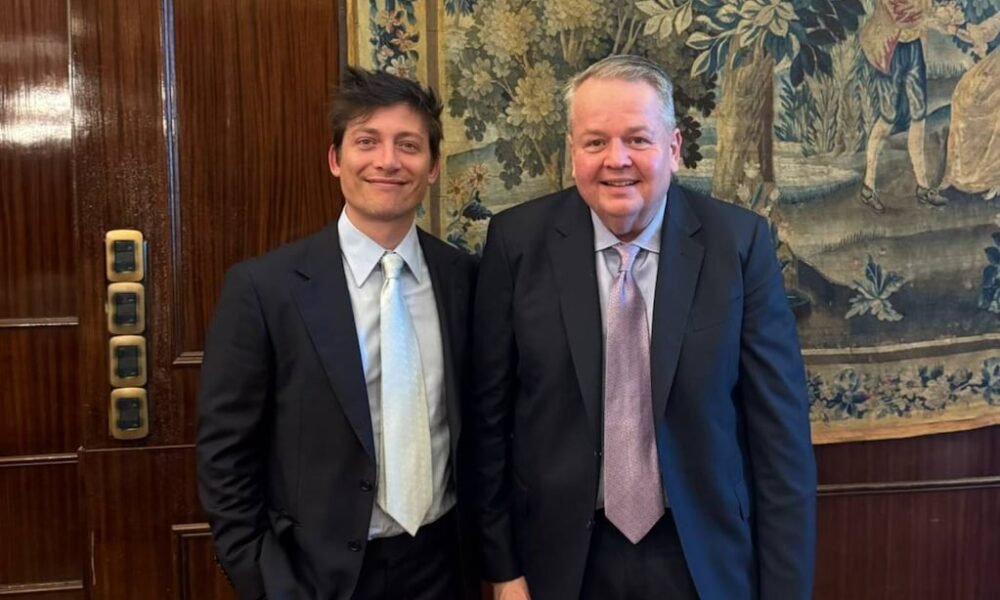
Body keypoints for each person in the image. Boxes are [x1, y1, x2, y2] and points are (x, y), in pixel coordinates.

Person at [472, 55, 817, 600]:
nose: (617, 160)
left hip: (705, 560)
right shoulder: (516, 244)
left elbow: (781, 440)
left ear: (674, 148)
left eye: (637, 139)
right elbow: (488, 423)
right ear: (572, 151)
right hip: (558, 563)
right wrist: (502, 569)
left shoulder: (739, 245)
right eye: (595, 142)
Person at [197, 67, 479, 600]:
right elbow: (225, 456)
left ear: (434, 167)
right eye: (367, 141)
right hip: (313, 576)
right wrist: (265, 580)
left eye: (409, 145)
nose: (388, 161)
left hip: (444, 566)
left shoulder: (465, 279)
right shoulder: (265, 289)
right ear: (335, 159)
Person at [858, 0, 964, 212]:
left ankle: (923, 188)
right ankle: (868, 187)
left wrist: (946, 22)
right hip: (889, 49)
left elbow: (925, 11)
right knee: (887, 119)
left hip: (914, 47)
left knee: (919, 117)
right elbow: (902, 15)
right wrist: (938, 17)